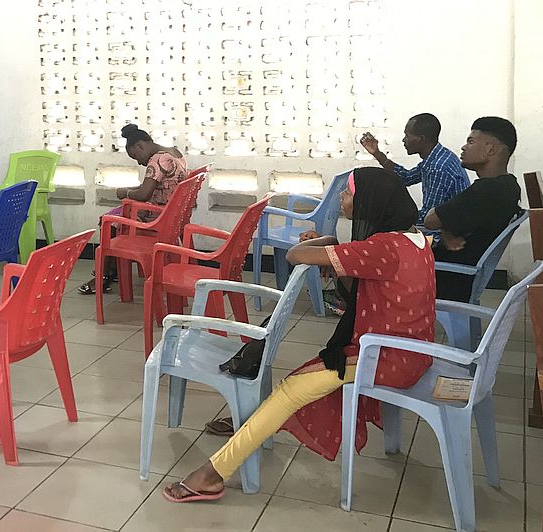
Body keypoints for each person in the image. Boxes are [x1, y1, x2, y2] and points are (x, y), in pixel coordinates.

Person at [164, 168, 436, 503]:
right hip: (411, 351)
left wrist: (328, 245)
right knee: (303, 381)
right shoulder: (415, 239)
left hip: (386, 358)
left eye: (349, 194)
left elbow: (295, 256)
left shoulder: (382, 247)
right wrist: (335, 249)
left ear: (370, 201)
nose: (342, 199)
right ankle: (252, 424)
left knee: (292, 388)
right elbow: (360, 288)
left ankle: (213, 473)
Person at [77, 124, 187, 294]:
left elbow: (143, 194)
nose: (139, 162)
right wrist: (130, 190)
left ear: (140, 146)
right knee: (116, 215)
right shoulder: (174, 152)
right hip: (173, 214)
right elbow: (153, 186)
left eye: (136, 156)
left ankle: (104, 276)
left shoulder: (157, 160)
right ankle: (113, 269)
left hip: (158, 217)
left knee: (108, 221)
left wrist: (125, 193)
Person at [424, 116, 522, 303]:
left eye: (471, 141)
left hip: (445, 278)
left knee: (371, 265)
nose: (463, 147)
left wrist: (444, 226)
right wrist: (446, 230)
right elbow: (445, 221)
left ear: (490, 149)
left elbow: (430, 220)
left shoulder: (485, 191)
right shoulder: (508, 185)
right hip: (455, 272)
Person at [359, 113, 470, 225]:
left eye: (407, 136)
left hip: (447, 233)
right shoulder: (438, 156)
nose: (403, 140)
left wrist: (390, 217)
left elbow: (428, 219)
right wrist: (377, 153)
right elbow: (407, 177)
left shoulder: (437, 168)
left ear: (421, 139)